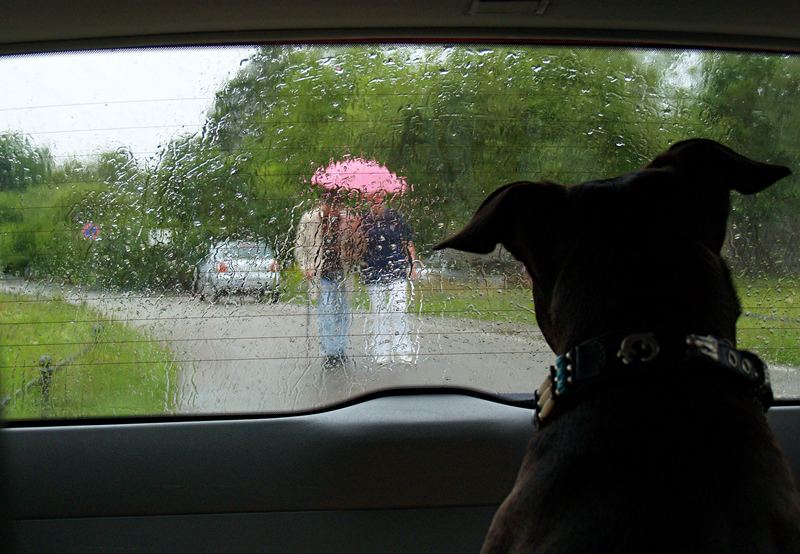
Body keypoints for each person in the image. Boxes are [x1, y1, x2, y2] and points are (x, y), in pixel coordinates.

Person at [294, 191, 359, 370]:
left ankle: (340, 349)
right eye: (331, 206)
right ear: (323, 204)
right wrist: (306, 265)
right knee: (327, 314)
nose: (334, 211)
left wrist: (354, 230)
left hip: (343, 274)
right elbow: (300, 247)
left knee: (343, 314)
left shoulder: (348, 219)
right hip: (321, 274)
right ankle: (330, 353)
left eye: (337, 206)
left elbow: (356, 249)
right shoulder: (309, 219)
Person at [359, 190, 419, 365]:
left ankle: (403, 348)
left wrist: (413, 264)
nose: (376, 201)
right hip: (373, 271)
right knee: (379, 312)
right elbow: (358, 247)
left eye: (378, 197)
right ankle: (381, 349)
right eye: (372, 198)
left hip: (397, 268)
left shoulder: (395, 217)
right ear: (367, 200)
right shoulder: (363, 220)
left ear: (383, 199)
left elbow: (407, 241)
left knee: (398, 308)